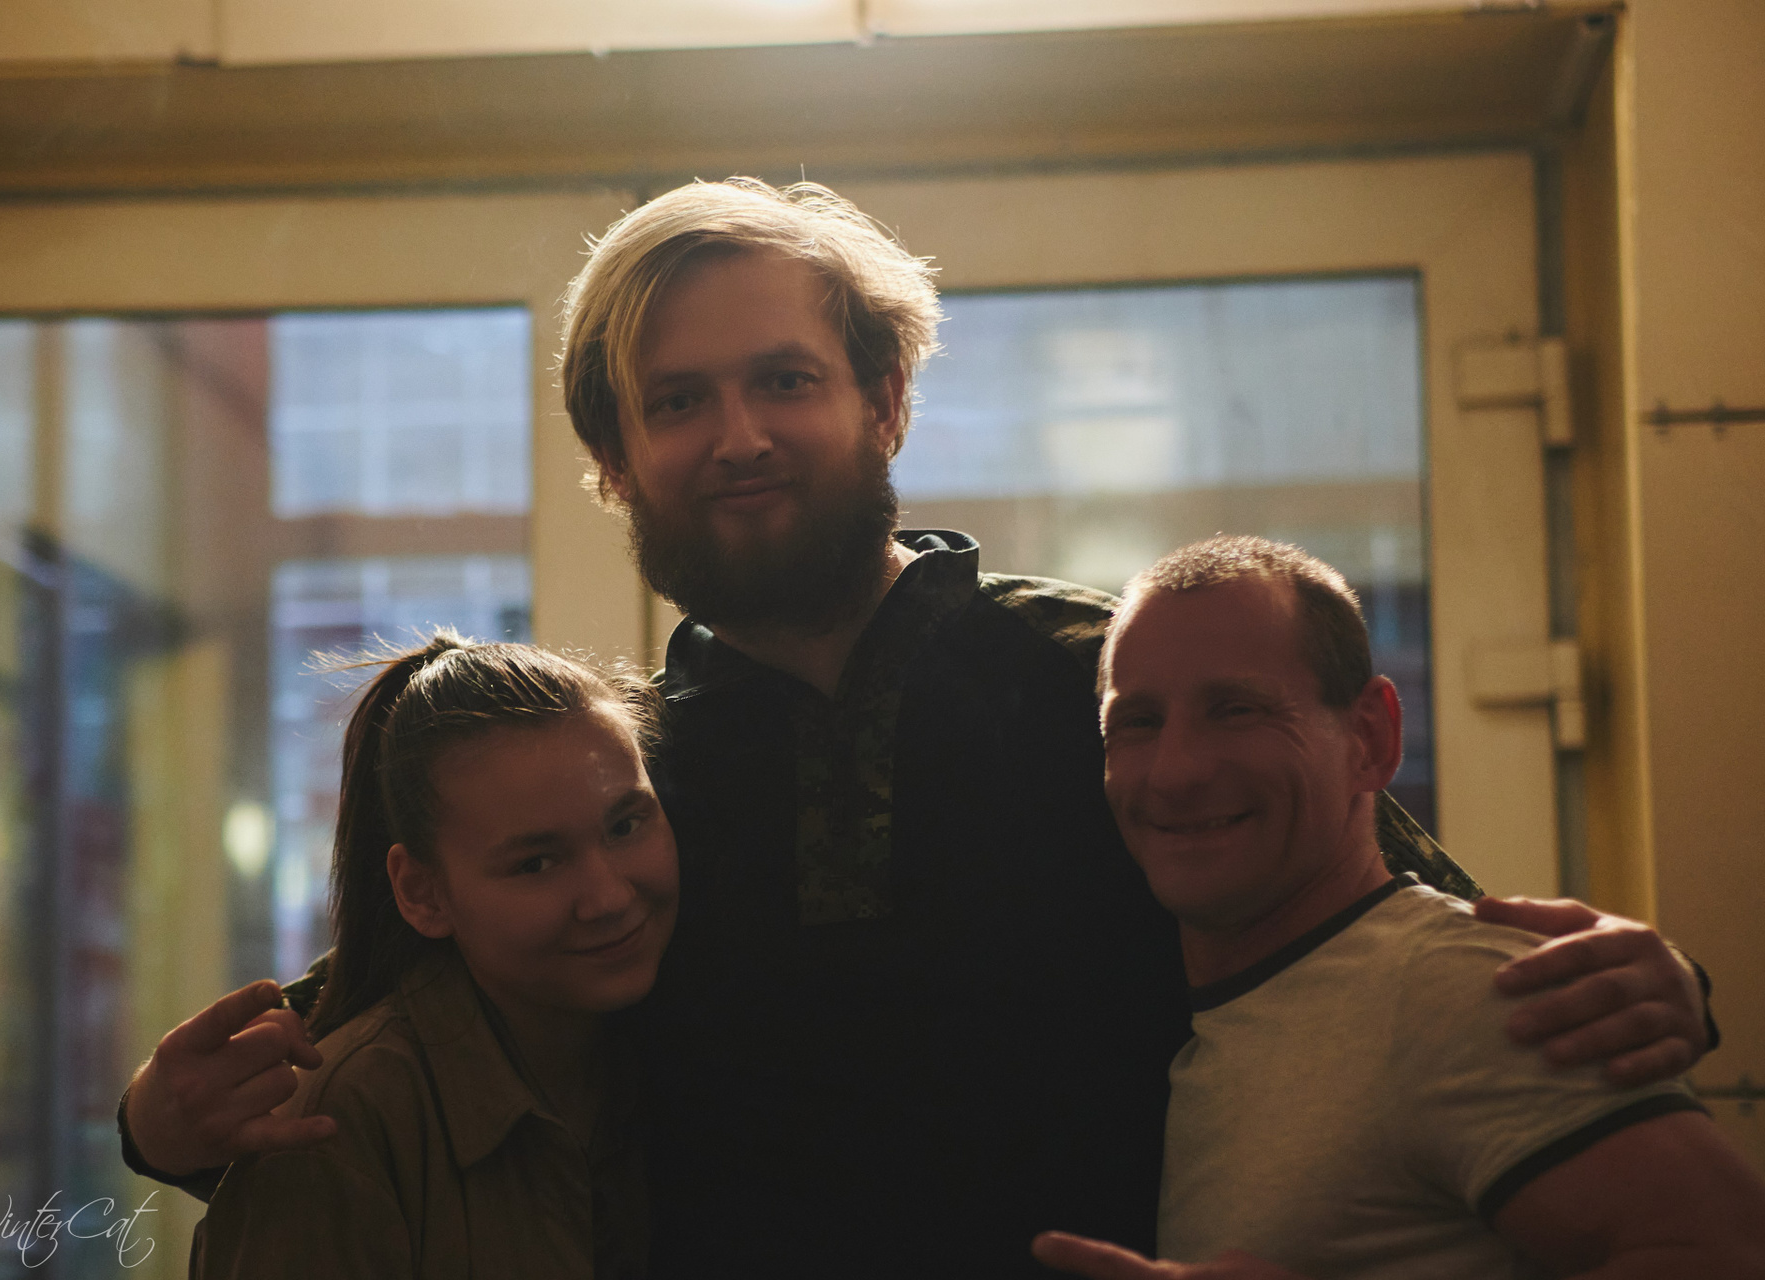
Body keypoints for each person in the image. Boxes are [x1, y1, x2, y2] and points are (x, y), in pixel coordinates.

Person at [121, 179, 1717, 1279]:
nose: (738, 436)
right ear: (615, 462)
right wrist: (157, 1123)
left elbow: (1393, 933)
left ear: (885, 401)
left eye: (784, 380)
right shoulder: (624, 783)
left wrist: (1658, 986)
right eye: (677, 401)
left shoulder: (1105, 684)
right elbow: (405, 1042)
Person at [1031, 537, 1765, 1280]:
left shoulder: (1469, 991)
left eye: (1237, 710)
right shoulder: (1229, 1020)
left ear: (1370, 737)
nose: (1176, 771)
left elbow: (1731, 1257)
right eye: (1138, 721)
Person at [190, 635, 677, 1279]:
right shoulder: (343, 1124)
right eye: (536, 863)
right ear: (422, 893)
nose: (609, 897)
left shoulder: (675, 1042)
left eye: (625, 825)